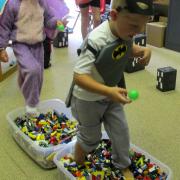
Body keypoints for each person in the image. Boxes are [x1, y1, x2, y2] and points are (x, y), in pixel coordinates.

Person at [66, 0, 153, 178]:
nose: (136, 32)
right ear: (113, 15)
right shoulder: (96, 39)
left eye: (141, 29)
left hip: (111, 94)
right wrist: (108, 91)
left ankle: (123, 165)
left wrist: (142, 50)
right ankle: (78, 160)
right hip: (86, 100)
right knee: (90, 138)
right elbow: (79, 76)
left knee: (121, 131)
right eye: (134, 27)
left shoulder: (125, 32)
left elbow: (126, 48)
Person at [0, 0, 68, 114]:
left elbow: (49, 20)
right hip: (20, 44)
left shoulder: (42, 3)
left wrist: (59, 23)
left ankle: (25, 85)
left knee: (38, 75)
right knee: (33, 70)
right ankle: (31, 104)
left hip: (38, 44)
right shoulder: (13, 4)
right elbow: (4, 27)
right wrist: (1, 48)